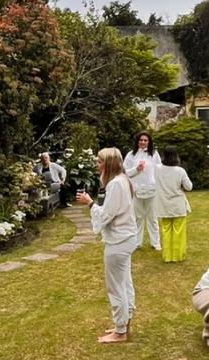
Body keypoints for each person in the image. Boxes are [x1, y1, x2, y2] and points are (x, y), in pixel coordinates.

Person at [77, 148, 138, 344]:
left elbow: (106, 215)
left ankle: (120, 331)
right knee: (124, 281)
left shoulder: (116, 185)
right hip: (126, 237)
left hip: (119, 241)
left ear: (109, 164)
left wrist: (89, 203)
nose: (97, 165)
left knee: (116, 286)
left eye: (100, 162)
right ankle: (124, 322)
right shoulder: (123, 181)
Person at [153, 146, 192, 263]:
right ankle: (177, 256)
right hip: (177, 205)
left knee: (165, 231)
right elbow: (189, 187)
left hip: (163, 205)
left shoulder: (157, 169)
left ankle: (167, 256)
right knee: (178, 231)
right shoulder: (180, 171)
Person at [123, 131, 161, 251]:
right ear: (137, 141)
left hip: (152, 189)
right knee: (137, 218)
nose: (143, 142)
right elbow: (124, 172)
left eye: (145, 140)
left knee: (152, 217)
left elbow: (159, 170)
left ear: (149, 142)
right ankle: (136, 243)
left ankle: (155, 243)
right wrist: (136, 169)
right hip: (136, 190)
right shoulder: (131, 155)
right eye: (141, 140)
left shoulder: (154, 154)